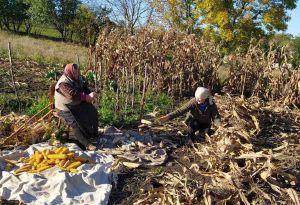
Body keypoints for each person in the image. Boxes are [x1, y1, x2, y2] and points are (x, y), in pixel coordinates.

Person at [54, 64, 98, 150]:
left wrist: (90, 94)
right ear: (69, 72)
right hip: (64, 108)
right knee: (75, 124)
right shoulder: (63, 83)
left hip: (76, 104)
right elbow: (72, 95)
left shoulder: (77, 79)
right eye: (75, 72)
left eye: (78, 72)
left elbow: (83, 88)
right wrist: (86, 97)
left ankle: (93, 134)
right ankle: (87, 144)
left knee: (92, 110)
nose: (77, 74)